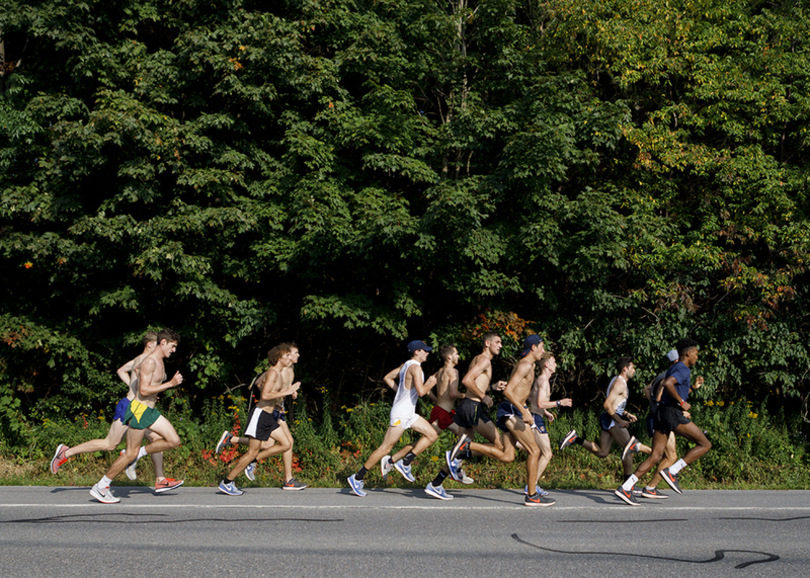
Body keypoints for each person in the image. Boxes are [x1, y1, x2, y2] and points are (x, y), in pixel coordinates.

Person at [50, 332, 175, 489]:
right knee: (110, 444)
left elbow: (121, 370)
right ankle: (66, 453)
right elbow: (138, 376)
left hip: (140, 408)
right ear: (150, 344)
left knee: (156, 439)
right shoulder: (145, 360)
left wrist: (143, 389)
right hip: (132, 408)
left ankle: (160, 479)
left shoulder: (144, 360)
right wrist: (141, 389)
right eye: (157, 344)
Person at [449, 334, 555, 507]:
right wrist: (523, 411)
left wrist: (527, 409)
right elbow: (509, 391)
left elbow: (519, 391)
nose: (543, 350)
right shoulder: (525, 364)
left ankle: (467, 447)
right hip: (512, 411)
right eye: (542, 346)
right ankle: (532, 494)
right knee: (534, 451)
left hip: (512, 411)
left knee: (507, 455)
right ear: (534, 347)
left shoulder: (531, 365)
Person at [89, 328, 185, 504]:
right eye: (172, 346)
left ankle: (139, 453)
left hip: (149, 411)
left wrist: (158, 390)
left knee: (174, 440)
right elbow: (143, 390)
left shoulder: (160, 361)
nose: (174, 350)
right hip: (140, 410)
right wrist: (170, 384)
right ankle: (101, 486)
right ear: (163, 342)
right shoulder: (149, 362)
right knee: (129, 454)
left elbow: (149, 387)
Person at [614, 338, 711, 506]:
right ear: (687, 353)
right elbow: (668, 384)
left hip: (660, 413)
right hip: (671, 413)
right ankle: (672, 471)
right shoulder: (683, 368)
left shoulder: (674, 368)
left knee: (656, 455)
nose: (697, 356)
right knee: (704, 444)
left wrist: (692, 388)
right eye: (695, 353)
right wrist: (681, 402)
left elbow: (673, 386)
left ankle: (626, 487)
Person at [347, 340, 438, 497]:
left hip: (409, 413)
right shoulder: (415, 367)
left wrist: (400, 393)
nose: (427, 353)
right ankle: (357, 478)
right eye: (425, 350)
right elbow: (422, 392)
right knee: (385, 448)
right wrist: (431, 382)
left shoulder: (405, 365)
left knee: (432, 435)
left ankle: (405, 462)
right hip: (401, 413)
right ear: (417, 352)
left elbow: (388, 378)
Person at [214, 343, 307, 490]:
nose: (290, 357)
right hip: (260, 416)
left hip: (269, 417)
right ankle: (227, 482)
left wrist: (276, 402)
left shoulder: (279, 372)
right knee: (252, 453)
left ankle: (250, 458)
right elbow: (264, 395)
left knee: (286, 444)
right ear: (278, 357)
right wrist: (287, 392)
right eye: (287, 355)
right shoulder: (272, 373)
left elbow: (267, 393)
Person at [559, 356, 651, 486]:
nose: (634, 370)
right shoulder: (620, 384)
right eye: (632, 367)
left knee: (603, 452)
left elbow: (614, 404)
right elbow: (607, 404)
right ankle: (629, 484)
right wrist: (620, 420)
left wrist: (626, 413)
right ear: (625, 369)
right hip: (612, 419)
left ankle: (575, 439)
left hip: (609, 418)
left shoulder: (617, 381)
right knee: (629, 447)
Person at [523, 352, 571, 496]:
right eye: (553, 362)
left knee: (533, 450)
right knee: (547, 453)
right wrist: (559, 403)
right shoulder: (543, 380)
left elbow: (532, 398)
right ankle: (532, 485)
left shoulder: (541, 380)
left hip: (536, 416)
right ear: (546, 365)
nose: (555, 365)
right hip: (535, 419)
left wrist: (545, 412)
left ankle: (532, 484)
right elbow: (539, 402)